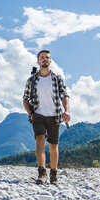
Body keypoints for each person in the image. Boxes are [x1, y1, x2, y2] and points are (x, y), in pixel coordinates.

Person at [23, 50, 70, 185]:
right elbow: (25, 99)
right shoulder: (31, 80)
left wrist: (67, 111)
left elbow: (64, 96)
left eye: (47, 58)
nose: (44, 60)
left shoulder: (57, 78)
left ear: (50, 61)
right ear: (38, 61)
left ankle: (54, 174)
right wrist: (30, 114)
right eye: (42, 58)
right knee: (40, 140)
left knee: (53, 145)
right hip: (38, 115)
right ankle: (42, 173)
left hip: (55, 115)